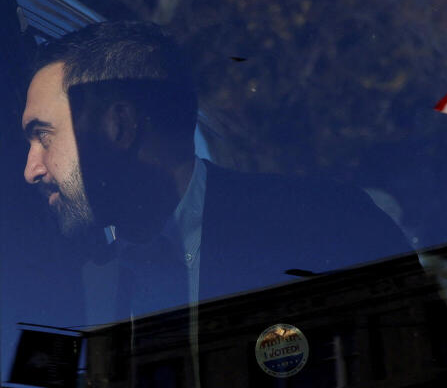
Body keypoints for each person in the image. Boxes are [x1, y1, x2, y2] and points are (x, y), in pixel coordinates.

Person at [21, 20, 409, 312]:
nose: (30, 169)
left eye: (44, 135)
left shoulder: (325, 227)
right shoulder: (66, 283)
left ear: (117, 126)